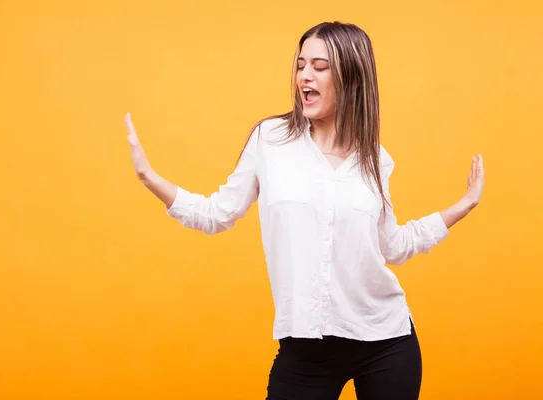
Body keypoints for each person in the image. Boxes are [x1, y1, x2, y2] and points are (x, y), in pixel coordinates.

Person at [123, 21, 484, 400]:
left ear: (353, 77)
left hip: (385, 340)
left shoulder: (376, 159)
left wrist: (464, 205)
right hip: (305, 347)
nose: (304, 77)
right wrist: (150, 178)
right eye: (300, 65)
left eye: (319, 66)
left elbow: (391, 245)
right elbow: (217, 214)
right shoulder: (270, 140)